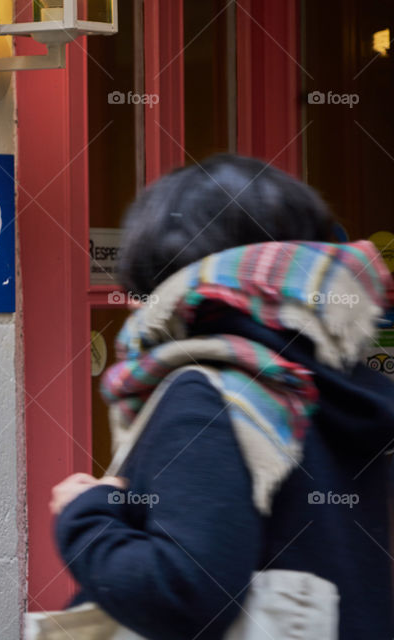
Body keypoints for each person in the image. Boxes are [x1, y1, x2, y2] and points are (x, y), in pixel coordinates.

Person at [50, 155, 394, 639]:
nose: (129, 301)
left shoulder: (209, 390)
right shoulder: (343, 384)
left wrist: (85, 514)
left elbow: (183, 593)